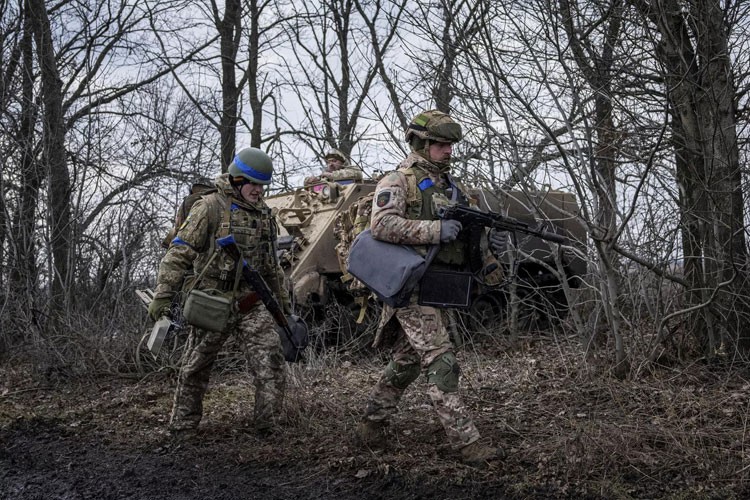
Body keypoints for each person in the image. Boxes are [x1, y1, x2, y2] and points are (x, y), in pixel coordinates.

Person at [356, 109, 507, 466]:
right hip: (410, 285)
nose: (449, 151)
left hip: (441, 286)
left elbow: (473, 235)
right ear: (421, 144)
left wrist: (489, 265)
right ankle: (466, 442)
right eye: (441, 145)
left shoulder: (454, 189)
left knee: (408, 361)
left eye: (451, 145)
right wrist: (433, 231)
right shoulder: (398, 180)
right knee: (442, 359)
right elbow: (381, 225)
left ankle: (370, 424)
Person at [148, 147, 291, 437]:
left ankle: (268, 427)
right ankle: (183, 428)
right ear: (237, 180)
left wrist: (283, 301)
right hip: (213, 301)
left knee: (271, 363)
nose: (259, 191)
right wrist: (163, 295)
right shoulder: (210, 207)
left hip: (252, 301)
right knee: (195, 367)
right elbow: (179, 253)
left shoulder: (264, 215)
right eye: (253, 184)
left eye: (263, 185)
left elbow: (271, 264)